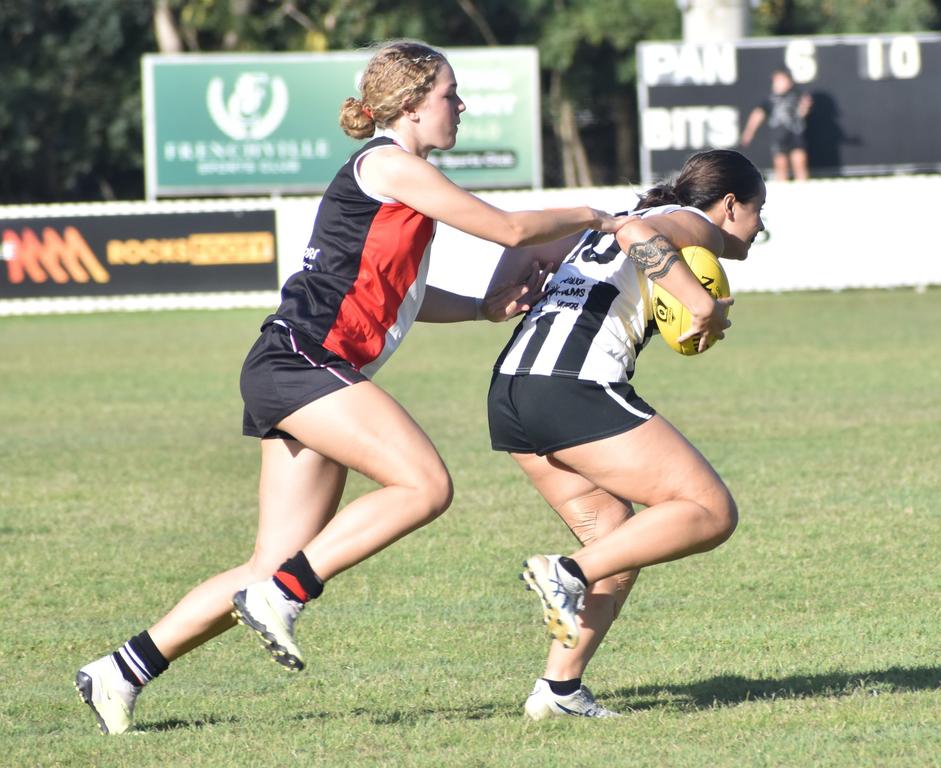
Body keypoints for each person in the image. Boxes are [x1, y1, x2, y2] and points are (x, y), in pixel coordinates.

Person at [74, 39, 632, 735]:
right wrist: (594, 216)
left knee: (265, 564)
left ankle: (120, 671)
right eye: (449, 96)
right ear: (411, 105)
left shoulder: (402, 177)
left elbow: (399, 296)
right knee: (424, 485)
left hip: (297, 365)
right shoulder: (392, 164)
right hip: (303, 362)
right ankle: (288, 593)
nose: (461, 107)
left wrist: (483, 309)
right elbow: (510, 229)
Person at [486, 149, 765, 719]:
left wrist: (504, 292)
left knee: (616, 540)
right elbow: (639, 233)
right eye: (760, 211)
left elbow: (531, 247)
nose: (761, 227)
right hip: (570, 388)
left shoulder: (613, 219)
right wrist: (700, 303)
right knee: (710, 512)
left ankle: (558, 692)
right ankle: (563, 573)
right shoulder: (693, 223)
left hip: (512, 389)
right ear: (730, 204)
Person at [740, 68, 812, 181]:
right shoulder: (770, 99)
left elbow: (803, 112)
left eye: (781, 80)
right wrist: (749, 132)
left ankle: (803, 188)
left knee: (799, 161)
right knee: (780, 164)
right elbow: (758, 114)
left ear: (789, 81)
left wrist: (805, 108)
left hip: (795, 134)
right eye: (775, 81)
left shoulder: (798, 95)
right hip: (778, 136)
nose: (778, 83)